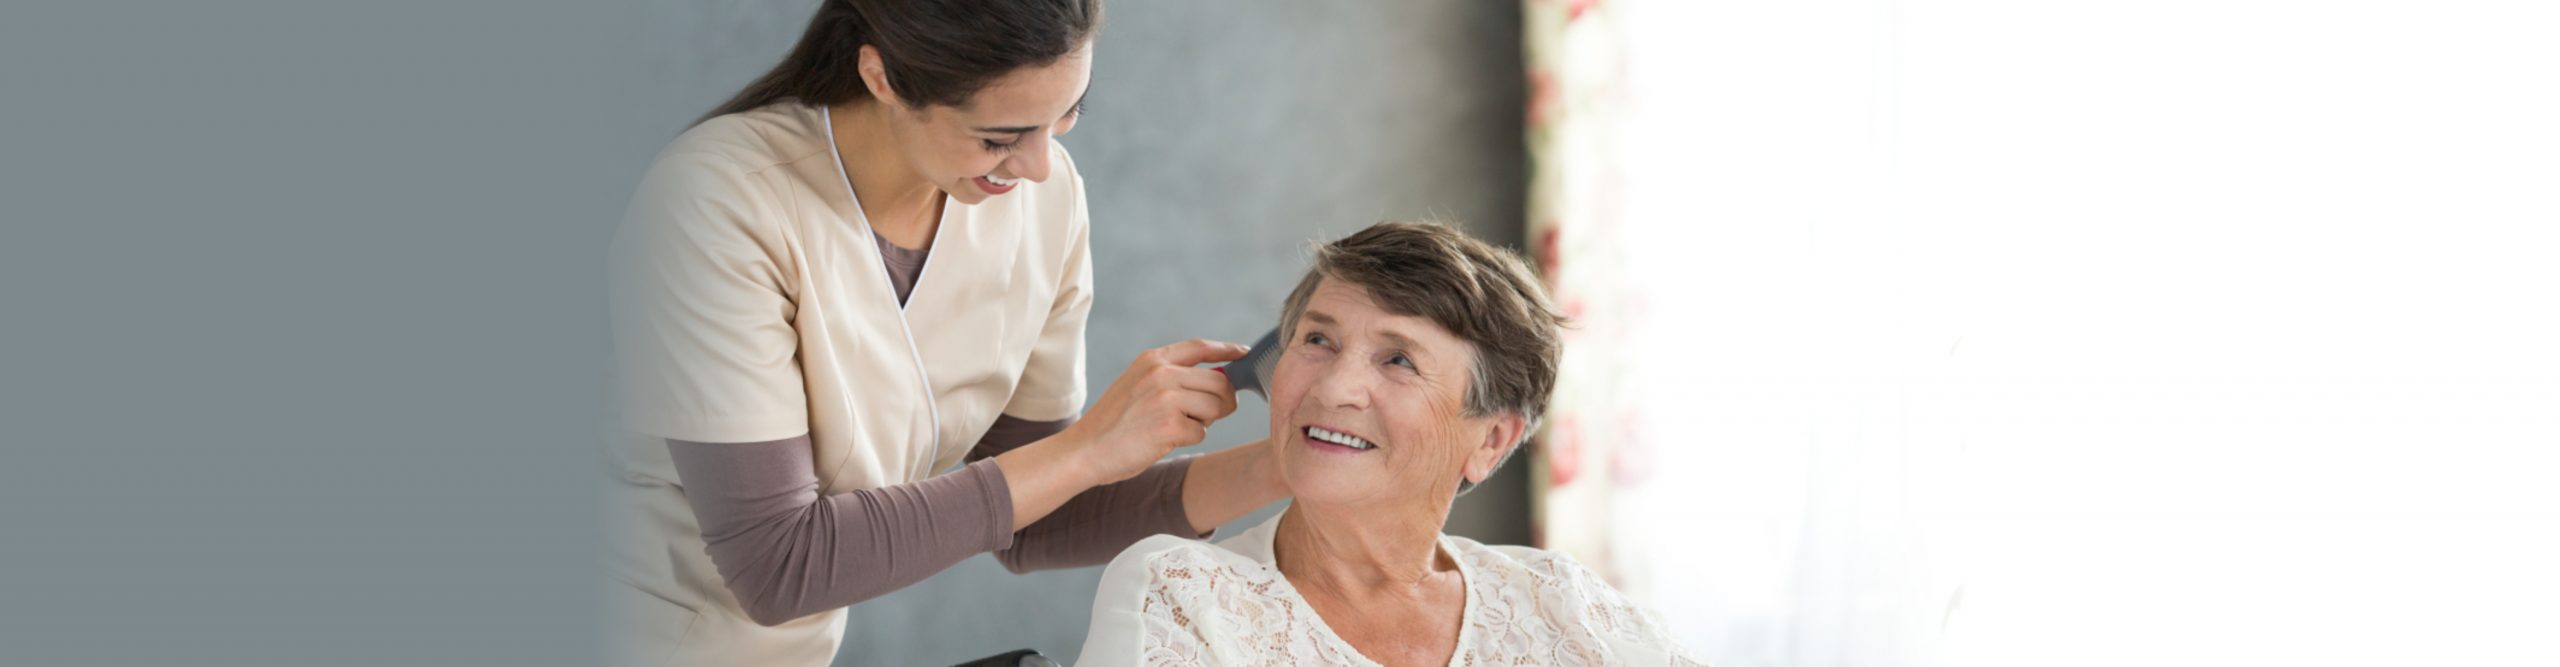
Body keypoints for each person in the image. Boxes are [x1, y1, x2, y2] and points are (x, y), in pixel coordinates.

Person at [602, 1, 1285, 664]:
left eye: (1069, 114)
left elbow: (1036, 515)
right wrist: (1089, 447)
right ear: (883, 77)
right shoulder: (719, 204)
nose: (1040, 166)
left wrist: (1286, 465)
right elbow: (780, 563)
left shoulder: (1042, 201)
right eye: (999, 137)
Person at [1078, 222, 1706, 665]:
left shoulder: (1560, 600)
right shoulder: (1184, 593)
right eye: (1318, 340)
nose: (1336, 388)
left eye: (1399, 359)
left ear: (1490, 440)